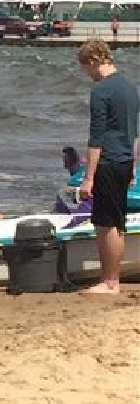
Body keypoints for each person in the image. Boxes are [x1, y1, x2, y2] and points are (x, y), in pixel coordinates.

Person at [75, 39, 139, 295]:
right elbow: (133, 133)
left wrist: (88, 177)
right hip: (124, 160)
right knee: (115, 221)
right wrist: (133, 167)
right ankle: (111, 279)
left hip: (108, 161)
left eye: (86, 69)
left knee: (106, 224)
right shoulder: (129, 88)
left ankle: (110, 282)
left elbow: (97, 137)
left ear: (94, 61)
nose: (87, 75)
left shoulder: (101, 91)